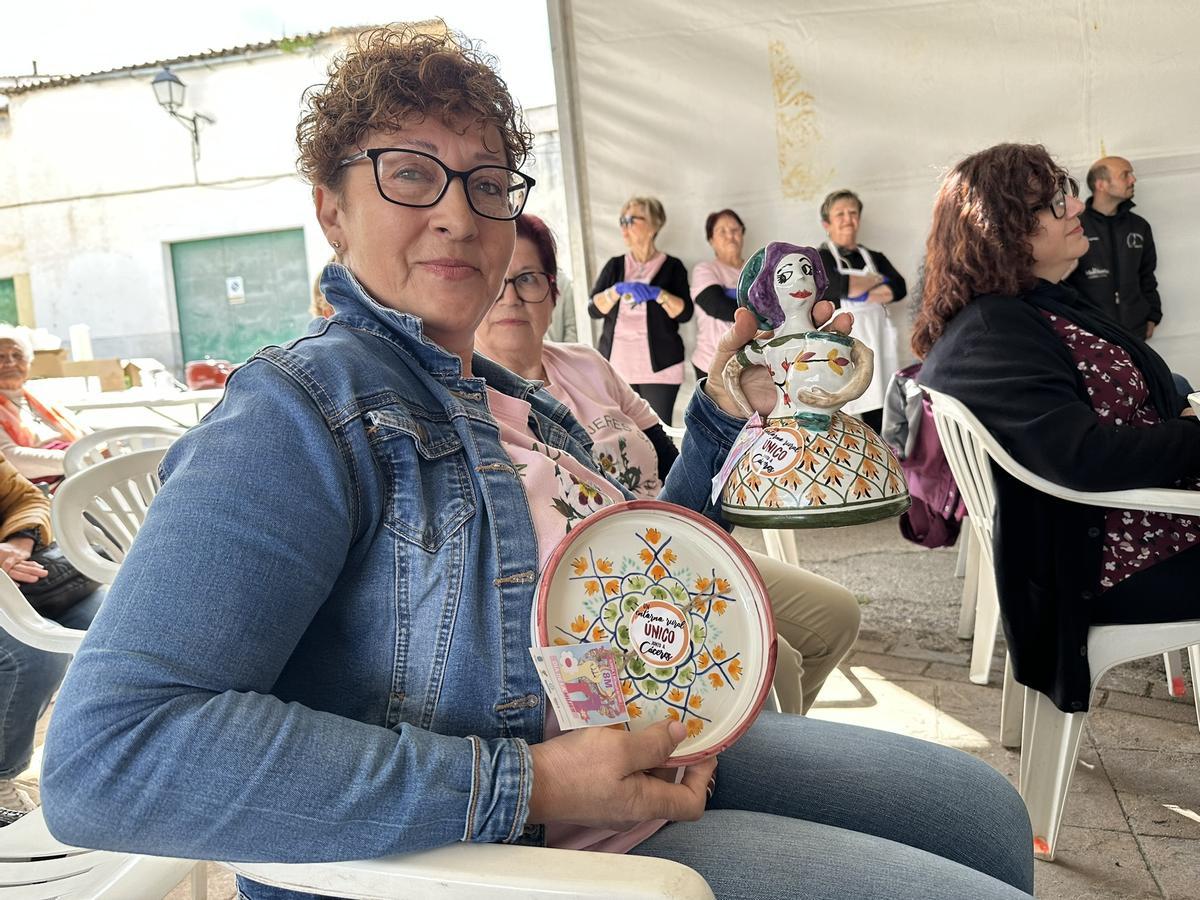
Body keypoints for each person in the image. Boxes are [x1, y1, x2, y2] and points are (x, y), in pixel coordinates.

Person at [41, 28, 1033, 900]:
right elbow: (112, 756)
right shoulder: (304, 411)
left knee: (980, 811)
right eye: (409, 173)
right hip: (506, 857)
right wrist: (535, 783)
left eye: (486, 183)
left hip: (646, 765)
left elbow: (657, 562)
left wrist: (722, 414)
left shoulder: (507, 398)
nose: (459, 214)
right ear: (331, 209)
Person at [476, 214, 859, 714]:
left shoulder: (586, 363)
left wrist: (733, 420)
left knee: (837, 615)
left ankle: (777, 741)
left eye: (527, 278)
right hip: (607, 590)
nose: (510, 296)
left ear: (553, 292)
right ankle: (761, 750)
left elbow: (668, 451)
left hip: (672, 529)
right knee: (774, 661)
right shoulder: (476, 408)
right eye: (497, 280)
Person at [915, 143, 1200, 715]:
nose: (1075, 207)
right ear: (1002, 229)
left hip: (1130, 523)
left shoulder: (1033, 305)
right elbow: (1083, 458)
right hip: (1104, 561)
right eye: (1053, 203)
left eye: (1064, 194)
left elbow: (1135, 391)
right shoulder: (995, 331)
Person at [0, 456, 103, 813]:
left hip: (20, 580)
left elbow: (27, 497)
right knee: (34, 656)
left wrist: (18, 543)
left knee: (113, 623)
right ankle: (1, 776)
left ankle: (98, 753)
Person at [588, 197, 692, 425]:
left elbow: (685, 314)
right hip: (617, 368)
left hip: (660, 370)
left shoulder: (673, 267)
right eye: (622, 221)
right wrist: (615, 291)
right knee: (622, 433)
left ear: (653, 225)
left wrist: (659, 294)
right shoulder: (615, 266)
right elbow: (594, 309)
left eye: (631, 220)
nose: (624, 226)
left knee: (658, 434)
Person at [817, 190, 908, 433]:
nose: (848, 219)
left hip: (878, 342)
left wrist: (858, 290)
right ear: (827, 224)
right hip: (843, 346)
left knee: (883, 411)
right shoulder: (820, 258)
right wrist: (877, 281)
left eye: (853, 212)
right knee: (847, 412)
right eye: (840, 214)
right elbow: (839, 286)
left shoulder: (875, 257)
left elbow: (898, 288)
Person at [1064, 156, 1161, 339]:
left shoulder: (1139, 226)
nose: (1133, 179)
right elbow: (1061, 280)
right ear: (1101, 185)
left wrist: (1153, 316)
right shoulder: (1075, 227)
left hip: (1135, 332)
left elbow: (1147, 275)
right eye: (1125, 175)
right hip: (1090, 334)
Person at [0, 326, 85, 481]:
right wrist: (82, 459)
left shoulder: (41, 398)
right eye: (0, 356)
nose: (10, 362)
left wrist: (104, 449)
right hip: (38, 486)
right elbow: (10, 460)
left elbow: (84, 434)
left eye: (17, 355)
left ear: (28, 362)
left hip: (75, 471)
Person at [690, 209, 746, 382]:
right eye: (722, 231)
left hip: (749, 364)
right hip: (711, 363)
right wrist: (759, 309)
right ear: (711, 240)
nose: (730, 236)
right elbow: (717, 306)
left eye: (735, 230)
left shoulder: (757, 270)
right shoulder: (705, 270)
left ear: (742, 234)